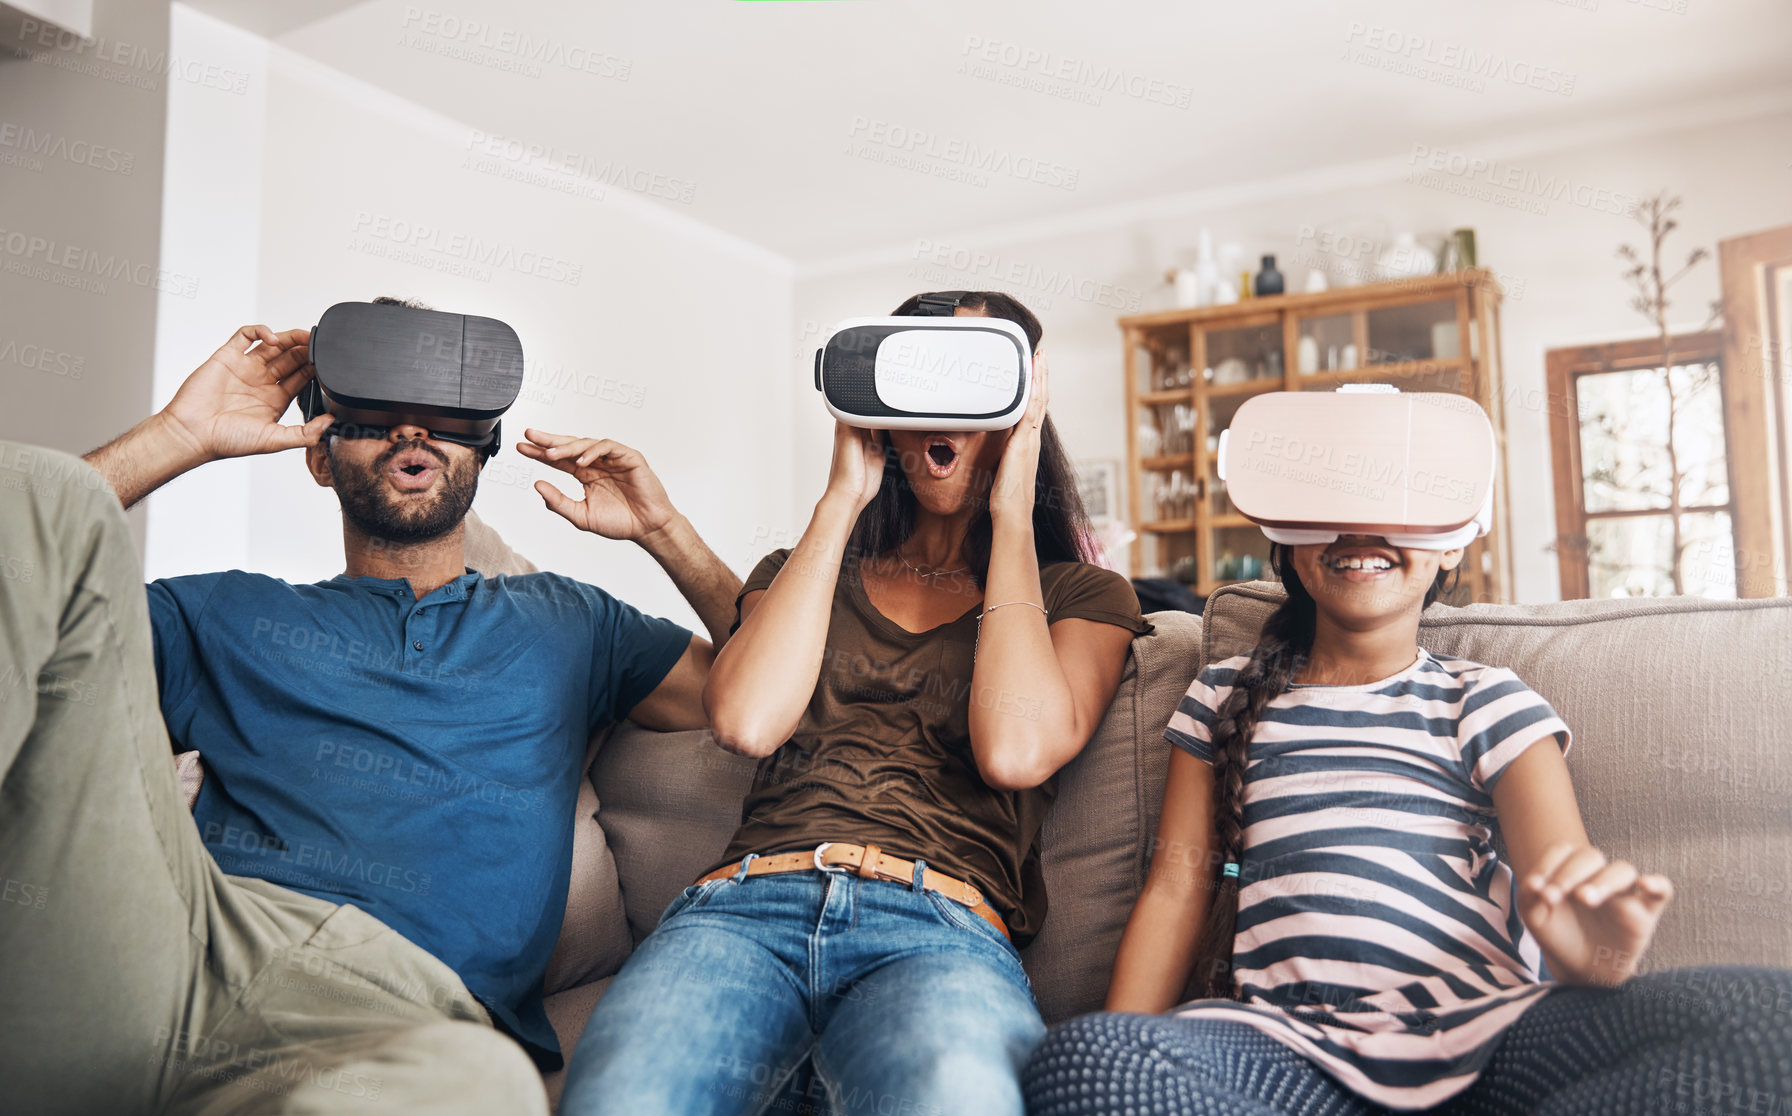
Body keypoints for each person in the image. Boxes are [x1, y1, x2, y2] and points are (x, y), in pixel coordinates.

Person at [0, 303, 741, 1115]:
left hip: (393, 1020)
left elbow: (768, 695)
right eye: (376, 414)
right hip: (174, 948)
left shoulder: (569, 623)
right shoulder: (224, 613)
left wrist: (664, 531)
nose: (410, 433)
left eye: (444, 414)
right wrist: (181, 435)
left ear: (481, 451)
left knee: (483, 1088)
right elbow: (33, 563)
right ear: (319, 457)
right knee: (42, 491)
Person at [559, 292, 1151, 1115]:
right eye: (920, 381)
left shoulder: (1079, 594)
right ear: (883, 408)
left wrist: (1012, 513)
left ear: (1022, 404)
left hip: (940, 928)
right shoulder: (802, 569)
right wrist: (842, 498)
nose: (942, 412)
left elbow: (1013, 751)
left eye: (973, 380)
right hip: (742, 910)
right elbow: (747, 719)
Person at [1023, 538, 1792, 1114]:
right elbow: (1177, 888)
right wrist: (1126, 1043)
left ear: (1452, 538)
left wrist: (1598, 948)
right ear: (1289, 537)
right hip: (1285, 1051)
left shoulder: (1484, 697)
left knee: (1764, 1021)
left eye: (1395, 503)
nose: (1363, 529)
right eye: (1333, 506)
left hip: (1488, 1037)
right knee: (1085, 1061)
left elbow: (1568, 896)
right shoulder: (1224, 695)